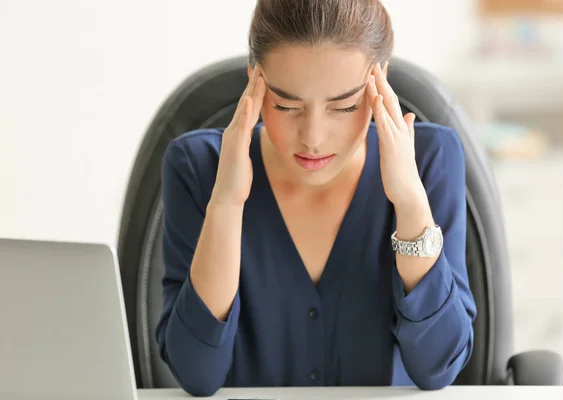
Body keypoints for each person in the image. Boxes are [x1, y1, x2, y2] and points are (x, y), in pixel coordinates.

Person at [155, 0, 477, 396]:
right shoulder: (197, 168)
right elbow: (195, 374)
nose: (313, 137)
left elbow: (439, 366)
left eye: (344, 106)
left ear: (381, 83)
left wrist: (410, 201)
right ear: (255, 79)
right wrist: (226, 203)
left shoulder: (429, 160)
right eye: (286, 104)